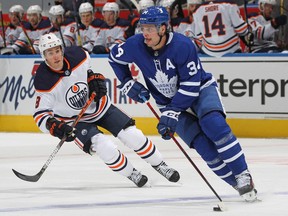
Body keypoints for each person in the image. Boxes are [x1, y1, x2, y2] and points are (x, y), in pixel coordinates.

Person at [108, 6, 257, 201]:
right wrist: (126, 81)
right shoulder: (135, 45)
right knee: (203, 146)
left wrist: (173, 111)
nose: (145, 33)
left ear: (163, 28)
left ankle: (243, 174)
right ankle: (238, 185)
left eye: (150, 28)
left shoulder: (182, 45)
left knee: (213, 125)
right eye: (143, 27)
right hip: (167, 103)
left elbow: (191, 84)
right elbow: (113, 57)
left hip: (200, 91)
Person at [33, 32, 180, 187]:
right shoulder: (44, 80)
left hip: (100, 106)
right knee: (104, 146)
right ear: (44, 56)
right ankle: (131, 173)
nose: (56, 56)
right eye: (50, 53)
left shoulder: (78, 55)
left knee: (133, 135)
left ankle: (160, 164)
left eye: (57, 50)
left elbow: (88, 70)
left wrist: (93, 78)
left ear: (62, 49)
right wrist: (54, 126)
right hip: (75, 120)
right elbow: (40, 115)